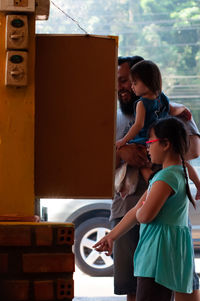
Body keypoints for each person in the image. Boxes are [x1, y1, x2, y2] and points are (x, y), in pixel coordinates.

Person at [113, 56, 200, 301]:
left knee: (180, 287)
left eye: (130, 81)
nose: (125, 87)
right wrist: (122, 152)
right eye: (119, 82)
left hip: (167, 221)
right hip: (125, 207)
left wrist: (162, 139)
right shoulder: (112, 117)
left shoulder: (170, 112)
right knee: (136, 286)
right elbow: (96, 162)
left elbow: (191, 151)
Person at [94, 117, 197, 301]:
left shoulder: (165, 178)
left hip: (157, 257)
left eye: (150, 142)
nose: (147, 148)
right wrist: (112, 236)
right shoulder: (178, 173)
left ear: (166, 144)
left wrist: (142, 210)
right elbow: (135, 210)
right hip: (171, 253)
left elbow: (144, 215)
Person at [116, 59, 200, 198]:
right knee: (181, 162)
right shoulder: (162, 98)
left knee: (142, 164)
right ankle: (197, 183)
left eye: (134, 83)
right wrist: (183, 109)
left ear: (147, 82)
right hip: (160, 137)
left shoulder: (141, 104)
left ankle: (152, 187)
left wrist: (123, 141)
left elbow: (138, 125)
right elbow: (173, 110)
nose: (132, 87)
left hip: (146, 140)